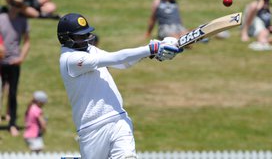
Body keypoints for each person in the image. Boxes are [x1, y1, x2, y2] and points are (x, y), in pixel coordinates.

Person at [58, 13, 182, 158]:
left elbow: (122, 62)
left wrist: (149, 53)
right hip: (92, 129)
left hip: (118, 118)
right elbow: (113, 57)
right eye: (80, 36)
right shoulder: (70, 60)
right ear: (66, 38)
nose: (85, 39)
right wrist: (152, 48)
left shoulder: (90, 50)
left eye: (86, 35)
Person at [0, 0, 30, 136]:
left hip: (13, 62)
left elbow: (27, 42)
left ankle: (12, 124)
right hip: (0, 61)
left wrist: (21, 58)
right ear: (10, 3)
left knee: (12, 94)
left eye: (18, 5)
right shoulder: (1, 18)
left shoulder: (23, 21)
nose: (14, 7)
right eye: (13, 4)